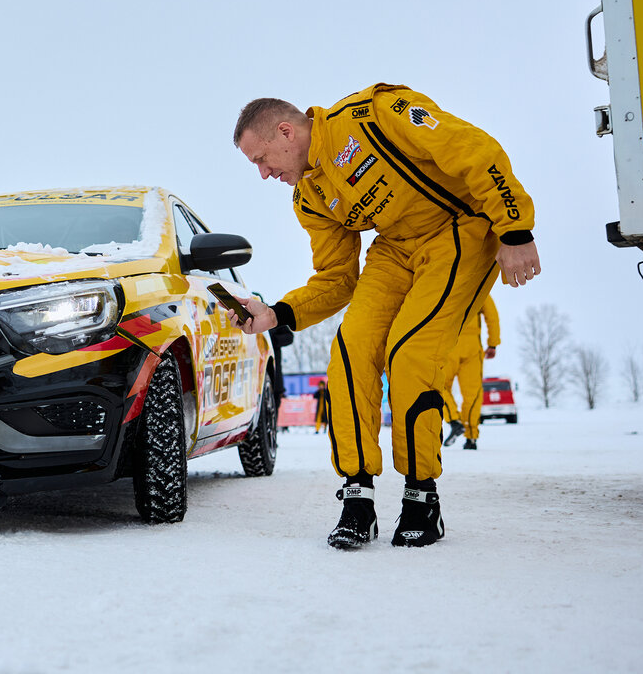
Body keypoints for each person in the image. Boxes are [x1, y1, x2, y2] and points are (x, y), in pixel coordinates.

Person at [229, 83, 540, 549]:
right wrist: (275, 313)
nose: (263, 173)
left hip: (459, 225)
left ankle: (421, 499)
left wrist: (515, 228)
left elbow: (474, 148)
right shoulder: (310, 198)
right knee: (351, 353)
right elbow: (337, 278)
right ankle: (358, 501)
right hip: (394, 249)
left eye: (260, 159)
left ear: (286, 131)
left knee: (410, 355)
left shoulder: (372, 116)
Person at [442, 292, 500, 450]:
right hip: (473, 348)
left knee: (439, 385)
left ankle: (454, 421)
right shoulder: (479, 286)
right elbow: (492, 315)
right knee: (472, 394)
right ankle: (471, 438)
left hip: (448, 345)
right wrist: (493, 343)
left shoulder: (445, 283)